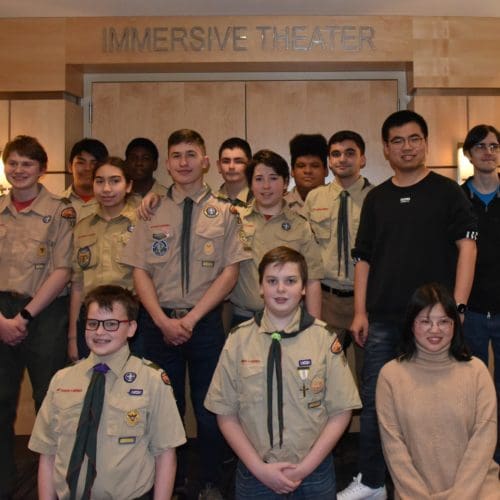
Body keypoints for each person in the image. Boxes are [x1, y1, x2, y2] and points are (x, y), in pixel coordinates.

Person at [337, 110, 478, 500]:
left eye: (414, 138)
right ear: (385, 148)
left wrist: (458, 307)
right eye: (397, 141)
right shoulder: (377, 199)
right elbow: (362, 259)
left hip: (436, 320)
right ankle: (371, 481)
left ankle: (440, 479)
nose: (406, 147)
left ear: (425, 143)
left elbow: (467, 247)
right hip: (383, 320)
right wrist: (360, 311)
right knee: (376, 404)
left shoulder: (449, 192)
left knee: (439, 404)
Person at [121, 129, 249, 499]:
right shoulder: (150, 208)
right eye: (176, 155)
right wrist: (161, 320)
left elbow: (230, 272)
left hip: (205, 323)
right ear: (168, 161)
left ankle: (209, 481)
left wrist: (191, 320)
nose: (183, 162)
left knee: (210, 409)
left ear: (205, 161)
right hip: (156, 324)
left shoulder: (225, 212)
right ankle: (169, 482)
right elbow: (139, 270)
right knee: (163, 407)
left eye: (191, 154)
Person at [205, 246, 362, 499]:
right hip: (255, 472)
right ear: (260, 287)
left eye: (290, 281)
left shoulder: (323, 339)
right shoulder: (238, 340)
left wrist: (305, 468)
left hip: (314, 471)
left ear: (303, 288)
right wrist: (259, 468)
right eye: (272, 281)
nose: (280, 289)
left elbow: (341, 411)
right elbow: (225, 413)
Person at [28, 285, 186, 500]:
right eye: (93, 324)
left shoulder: (152, 380)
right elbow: (47, 452)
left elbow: (166, 454)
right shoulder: (62, 380)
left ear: (131, 328)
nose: (100, 332)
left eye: (111, 324)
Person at [0, 135, 74, 498]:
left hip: (44, 314)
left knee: (51, 401)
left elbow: (63, 270)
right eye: (12, 163)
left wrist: (25, 316)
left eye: (27, 164)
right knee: (0, 402)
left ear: (42, 169)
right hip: (0, 314)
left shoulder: (60, 210)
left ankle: (55, 484)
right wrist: (2, 320)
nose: (18, 170)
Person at [376, 282, 499, 499]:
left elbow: (484, 442)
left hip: (478, 490)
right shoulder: (391, 376)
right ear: (411, 325)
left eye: (444, 321)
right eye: (425, 321)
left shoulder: (477, 371)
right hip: (416, 495)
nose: (435, 330)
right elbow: (394, 451)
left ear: (455, 325)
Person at [305, 130, 372, 384]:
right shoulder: (314, 198)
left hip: (366, 301)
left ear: (362, 159)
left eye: (350, 153)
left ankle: (369, 426)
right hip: (327, 301)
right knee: (324, 377)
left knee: (369, 377)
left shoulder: (376, 198)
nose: (342, 159)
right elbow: (307, 251)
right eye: (336, 154)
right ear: (329, 161)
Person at [230, 149, 323, 326]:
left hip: (290, 319)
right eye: (259, 179)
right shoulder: (236, 220)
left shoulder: (300, 226)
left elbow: (312, 279)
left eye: (273, 178)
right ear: (250, 184)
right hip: (243, 318)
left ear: (286, 182)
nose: (266, 186)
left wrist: (314, 328)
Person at [68, 156, 141, 361]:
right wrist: (73, 336)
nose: (107, 188)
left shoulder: (143, 223)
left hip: (131, 317)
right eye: (100, 181)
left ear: (128, 186)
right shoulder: (82, 227)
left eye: (115, 181)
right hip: (91, 319)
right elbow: (78, 284)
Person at [461, 124, 500, 464]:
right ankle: (476, 456)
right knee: (471, 391)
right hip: (469, 312)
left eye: (494, 146)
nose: (489, 152)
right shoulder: (455, 199)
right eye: (481, 147)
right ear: (468, 154)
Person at [63, 138, 109, 222]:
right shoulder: (56, 203)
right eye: (81, 162)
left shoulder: (114, 203)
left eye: (94, 163)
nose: (87, 168)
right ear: (69, 166)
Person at [285, 133, 328, 217]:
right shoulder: (279, 205)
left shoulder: (337, 202)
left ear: (326, 171)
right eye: (301, 166)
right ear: (292, 171)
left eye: (315, 166)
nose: (308, 171)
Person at [215, 137, 253, 208]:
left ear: (250, 165)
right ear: (219, 166)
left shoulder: (262, 201)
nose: (231, 166)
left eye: (238, 161)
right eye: (226, 161)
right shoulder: (209, 203)